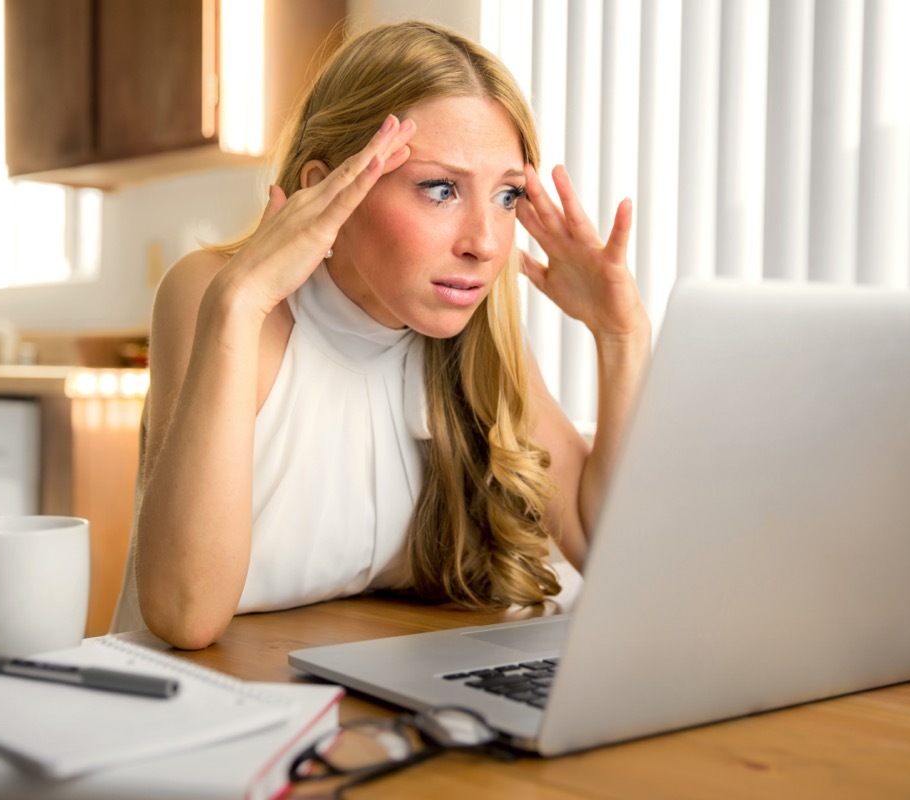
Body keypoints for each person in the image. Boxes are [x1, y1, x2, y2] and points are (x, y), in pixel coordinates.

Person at [110, 20, 651, 650]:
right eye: (441, 189)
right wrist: (243, 296)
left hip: (358, 706)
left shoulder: (477, 335)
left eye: (506, 196)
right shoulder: (220, 296)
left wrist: (621, 336)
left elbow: (605, 549)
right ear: (323, 190)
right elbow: (184, 613)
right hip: (193, 709)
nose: (484, 243)